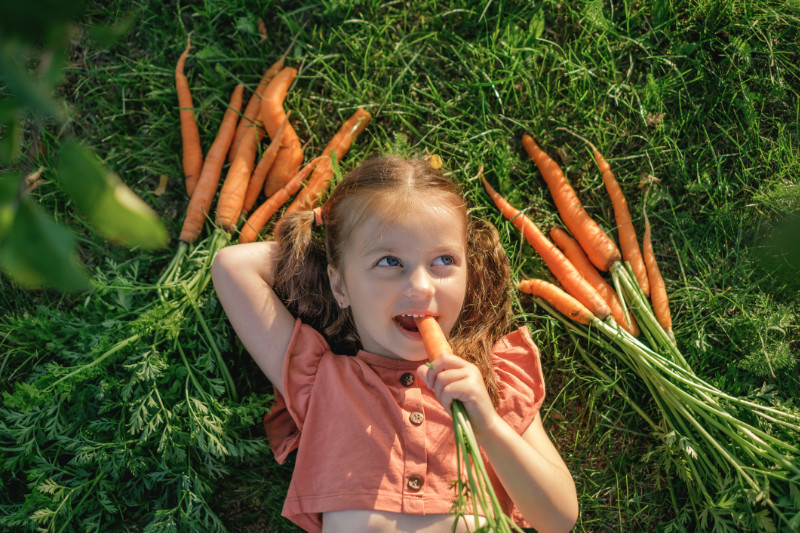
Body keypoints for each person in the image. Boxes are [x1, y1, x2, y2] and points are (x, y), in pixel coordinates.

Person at [212, 156, 578, 533]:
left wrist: (487, 426)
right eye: (390, 261)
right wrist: (332, 232)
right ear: (339, 286)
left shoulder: (492, 379)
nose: (421, 286)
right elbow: (232, 267)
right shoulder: (323, 381)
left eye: (444, 260)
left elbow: (559, 519)